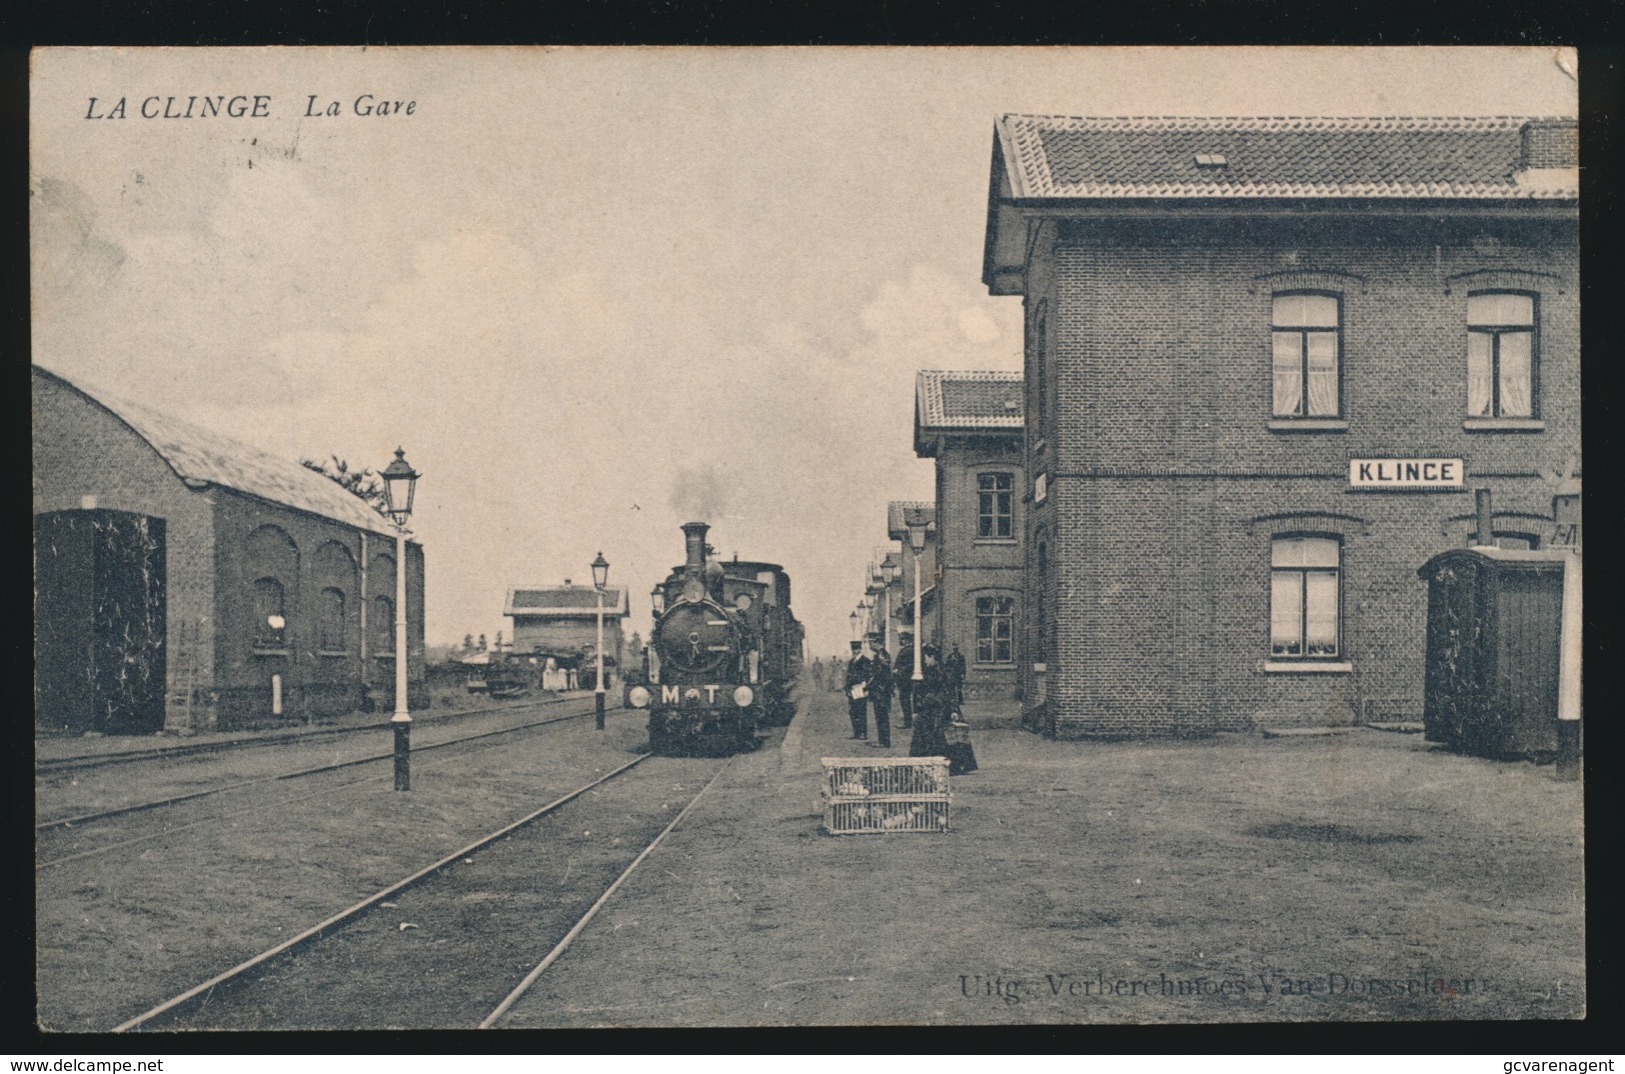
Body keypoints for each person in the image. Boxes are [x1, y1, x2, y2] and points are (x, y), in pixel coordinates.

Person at [908, 644, 951, 758]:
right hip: (930, 707)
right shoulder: (931, 670)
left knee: (933, 734)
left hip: (935, 708)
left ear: (932, 657)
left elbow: (946, 690)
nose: (925, 660)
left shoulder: (938, 671)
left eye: (926, 657)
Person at [867, 644, 894, 748]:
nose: (870, 646)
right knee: (880, 716)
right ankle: (882, 740)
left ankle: (884, 741)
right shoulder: (879, 655)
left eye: (872, 643)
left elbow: (880, 674)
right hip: (880, 691)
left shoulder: (882, 655)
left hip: (881, 692)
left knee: (882, 716)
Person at [844, 640, 872, 740]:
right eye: (853, 649)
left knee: (861, 710)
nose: (855, 651)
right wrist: (847, 687)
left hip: (860, 687)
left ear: (860, 649)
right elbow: (848, 675)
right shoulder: (851, 661)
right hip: (852, 688)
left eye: (856, 649)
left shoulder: (865, 661)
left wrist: (864, 687)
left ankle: (863, 733)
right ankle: (856, 732)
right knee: (853, 711)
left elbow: (866, 675)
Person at [893, 637, 915, 729]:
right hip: (902, 679)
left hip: (906, 679)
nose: (900, 641)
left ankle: (908, 722)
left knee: (905, 700)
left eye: (902, 639)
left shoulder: (909, 650)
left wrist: (899, 670)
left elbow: (910, 664)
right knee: (904, 700)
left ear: (907, 640)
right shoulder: (906, 649)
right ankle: (907, 721)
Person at [945, 642, 967, 707]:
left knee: (959, 687)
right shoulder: (950, 656)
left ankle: (960, 700)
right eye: (954, 646)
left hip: (958, 674)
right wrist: (948, 673)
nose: (955, 647)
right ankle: (953, 700)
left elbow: (963, 665)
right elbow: (947, 665)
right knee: (952, 687)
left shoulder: (961, 656)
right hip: (952, 674)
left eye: (956, 646)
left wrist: (963, 673)